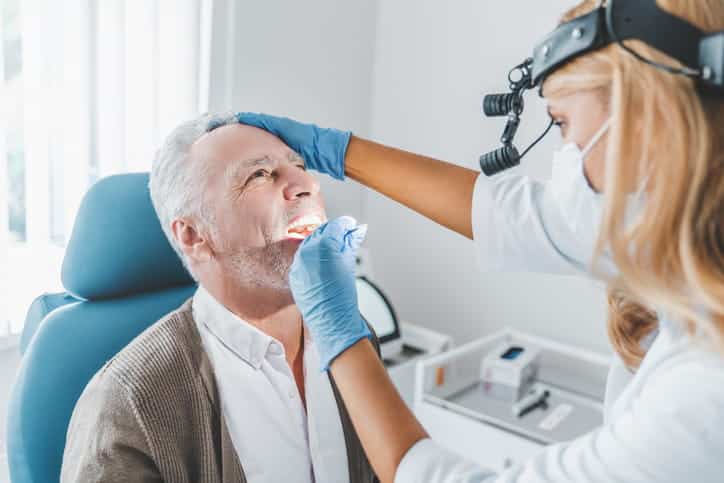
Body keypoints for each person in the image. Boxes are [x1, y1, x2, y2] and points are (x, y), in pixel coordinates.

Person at [237, 0, 724, 481]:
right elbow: (514, 214)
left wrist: (340, 336)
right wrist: (337, 152)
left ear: (653, 119)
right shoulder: (686, 233)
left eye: (563, 124)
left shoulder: (706, 389)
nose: (565, 157)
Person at [60, 115, 378, 483]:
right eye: (259, 175)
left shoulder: (356, 340)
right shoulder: (128, 403)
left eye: (301, 166)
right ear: (194, 235)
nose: (304, 185)